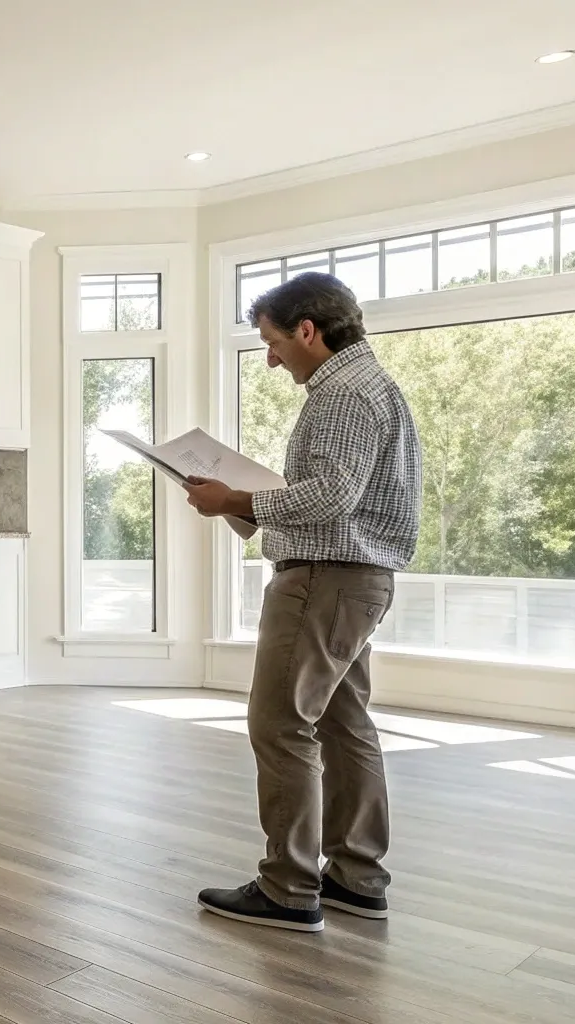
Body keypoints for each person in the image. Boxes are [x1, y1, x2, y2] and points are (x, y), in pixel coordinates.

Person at [179, 271, 422, 933]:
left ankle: (287, 887)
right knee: (345, 725)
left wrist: (233, 499)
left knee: (280, 724)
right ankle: (356, 876)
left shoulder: (340, 391)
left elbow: (332, 494)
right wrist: (247, 505)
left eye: (273, 340)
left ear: (308, 330)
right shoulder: (373, 385)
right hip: (356, 579)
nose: (270, 357)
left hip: (324, 578)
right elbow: (339, 493)